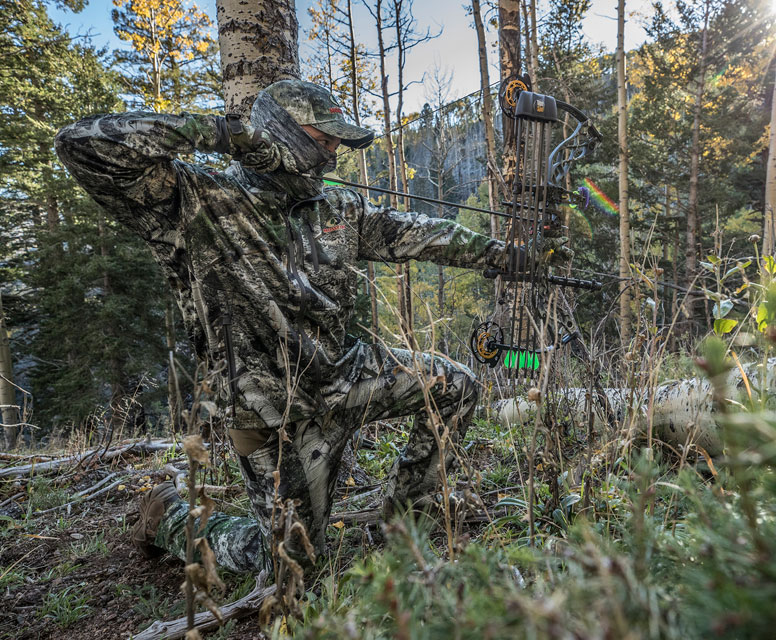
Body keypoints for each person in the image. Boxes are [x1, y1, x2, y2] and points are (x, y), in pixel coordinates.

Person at [55, 79, 539, 573]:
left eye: (336, 144)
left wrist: (502, 255)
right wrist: (219, 134)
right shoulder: (194, 199)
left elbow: (413, 232)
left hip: (344, 379)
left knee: (454, 384)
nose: (331, 157)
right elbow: (80, 144)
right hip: (272, 417)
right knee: (293, 571)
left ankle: (404, 534)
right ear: (279, 133)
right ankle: (173, 520)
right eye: (323, 140)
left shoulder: (337, 208)